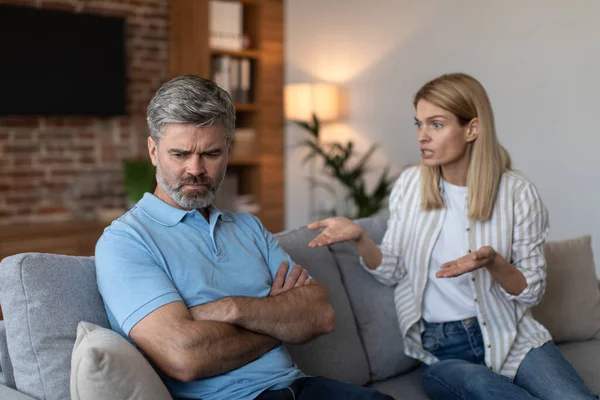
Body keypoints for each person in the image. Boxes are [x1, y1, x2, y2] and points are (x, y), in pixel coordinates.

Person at [95, 75, 393, 400]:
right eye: (179, 154)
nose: (195, 169)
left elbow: (320, 316)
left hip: (300, 387)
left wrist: (231, 309)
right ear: (154, 151)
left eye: (210, 153)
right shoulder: (125, 241)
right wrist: (276, 319)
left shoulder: (247, 227)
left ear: (227, 151)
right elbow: (185, 358)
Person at [307, 73, 598, 400]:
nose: (422, 136)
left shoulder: (518, 193)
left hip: (512, 335)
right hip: (442, 350)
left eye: (436, 124)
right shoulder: (410, 186)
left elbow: (532, 291)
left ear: (472, 128)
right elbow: (393, 270)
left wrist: (494, 263)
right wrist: (361, 237)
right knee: (494, 392)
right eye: (418, 124)